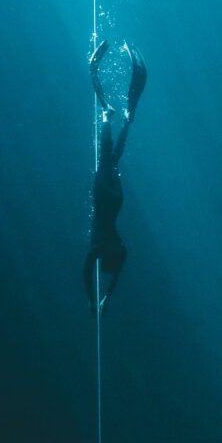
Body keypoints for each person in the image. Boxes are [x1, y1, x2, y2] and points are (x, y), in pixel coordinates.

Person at [84, 40, 147, 315]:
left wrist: (105, 300)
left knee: (112, 162)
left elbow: (113, 281)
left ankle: (124, 120)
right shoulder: (98, 248)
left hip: (117, 199)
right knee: (105, 160)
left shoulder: (120, 252)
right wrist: (94, 301)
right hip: (103, 198)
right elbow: (86, 275)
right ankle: (108, 117)